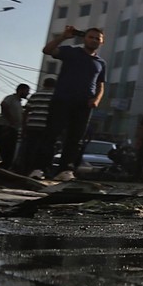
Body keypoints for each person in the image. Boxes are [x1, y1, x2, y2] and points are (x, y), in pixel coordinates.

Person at [41, 26, 107, 181]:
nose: (94, 40)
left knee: (75, 139)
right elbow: (47, 50)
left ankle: (65, 170)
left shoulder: (100, 63)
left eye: (97, 38)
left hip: (84, 105)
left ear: (101, 42)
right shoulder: (71, 52)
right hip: (62, 100)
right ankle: (40, 168)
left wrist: (96, 99)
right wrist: (63, 37)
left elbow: (101, 85)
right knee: (51, 135)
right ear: (84, 38)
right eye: (91, 37)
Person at [16, 77, 56, 177]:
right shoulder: (55, 96)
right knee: (44, 150)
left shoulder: (35, 95)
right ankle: (40, 169)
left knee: (30, 149)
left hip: (32, 126)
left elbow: (26, 111)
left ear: (44, 84)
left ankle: (26, 169)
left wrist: (24, 126)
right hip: (46, 127)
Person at [0, 83, 30, 168]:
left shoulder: (19, 102)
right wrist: (11, 120)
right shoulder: (11, 98)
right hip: (6, 127)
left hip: (13, 128)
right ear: (21, 90)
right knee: (3, 149)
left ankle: (5, 167)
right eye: (26, 91)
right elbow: (4, 105)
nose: (27, 94)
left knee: (10, 151)